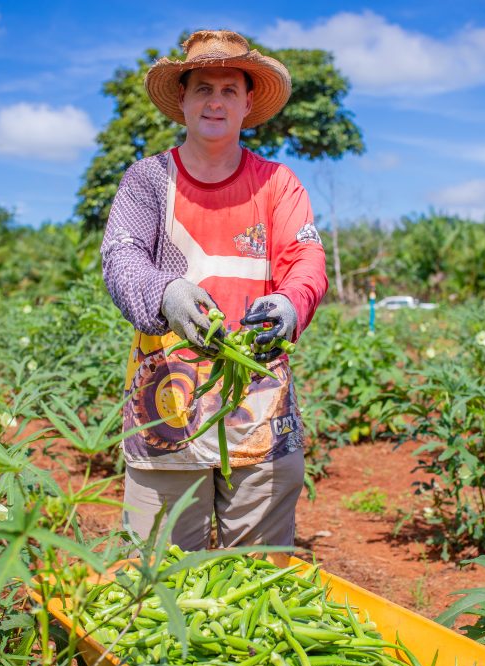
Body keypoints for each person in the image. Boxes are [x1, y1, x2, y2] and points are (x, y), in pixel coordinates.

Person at [100, 29, 328, 551]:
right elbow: (122, 258)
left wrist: (292, 302)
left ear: (248, 103)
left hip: (258, 407)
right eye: (203, 88)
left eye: (229, 90)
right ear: (182, 99)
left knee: (257, 576)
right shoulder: (147, 181)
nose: (215, 102)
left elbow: (306, 258)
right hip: (167, 408)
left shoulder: (278, 183)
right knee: (159, 584)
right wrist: (166, 294)